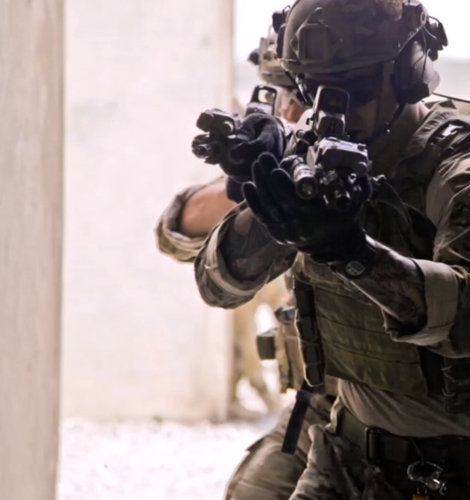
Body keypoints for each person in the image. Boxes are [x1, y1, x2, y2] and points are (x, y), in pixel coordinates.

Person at [192, 1, 470, 499]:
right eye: (313, 89)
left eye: (355, 87)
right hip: (342, 457)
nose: (332, 108)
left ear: (408, 74)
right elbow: (217, 285)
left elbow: (469, 321)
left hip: (464, 476)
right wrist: (264, 201)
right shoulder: (316, 157)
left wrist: (352, 253)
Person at [155, 27, 338, 500]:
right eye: (281, 96)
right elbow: (176, 234)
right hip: (323, 405)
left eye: (298, 96)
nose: (288, 111)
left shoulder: (410, 153)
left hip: (415, 416)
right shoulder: (288, 154)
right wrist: (245, 183)